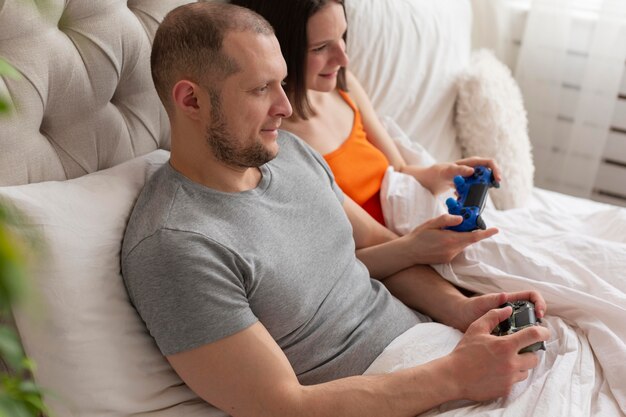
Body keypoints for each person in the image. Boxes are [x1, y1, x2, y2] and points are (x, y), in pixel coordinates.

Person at [121, 3, 549, 416]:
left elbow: (384, 249)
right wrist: (457, 376)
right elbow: (283, 406)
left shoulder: (290, 152)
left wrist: (462, 309)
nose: (286, 108)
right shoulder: (175, 247)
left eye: (281, 83)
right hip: (403, 390)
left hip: (439, 348)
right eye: (259, 89)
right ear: (191, 101)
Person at [230, 0, 503, 264]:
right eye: (321, 47)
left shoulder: (343, 86)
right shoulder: (279, 139)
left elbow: (399, 171)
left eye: (342, 37)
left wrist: (448, 174)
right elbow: (341, 256)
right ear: (279, 51)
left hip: (418, 231)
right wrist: (416, 248)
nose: (343, 57)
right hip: (396, 252)